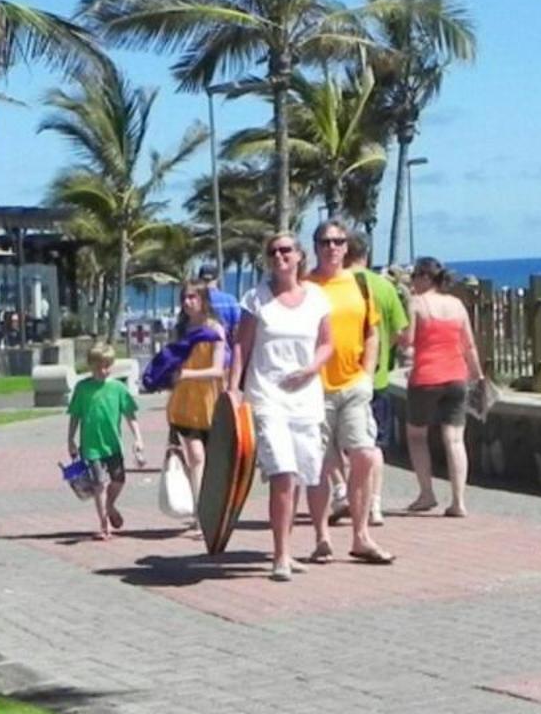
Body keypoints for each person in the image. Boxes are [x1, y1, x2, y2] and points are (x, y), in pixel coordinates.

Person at [236, 231, 333, 581]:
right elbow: (241, 347)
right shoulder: (255, 298)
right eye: (273, 251)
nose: (280, 256)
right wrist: (233, 389)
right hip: (267, 396)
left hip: (305, 400)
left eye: (286, 250)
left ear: (299, 256)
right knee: (282, 473)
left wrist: (311, 369)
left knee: (304, 474)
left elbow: (327, 344)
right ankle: (280, 555)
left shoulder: (317, 298)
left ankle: (289, 550)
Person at [305, 219, 395, 565]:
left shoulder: (359, 284)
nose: (332, 247)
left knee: (363, 454)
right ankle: (321, 537)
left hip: (353, 386)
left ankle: (361, 536)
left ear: (346, 247)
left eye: (338, 241)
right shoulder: (307, 286)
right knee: (320, 464)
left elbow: (372, 332)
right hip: (316, 388)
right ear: (315, 247)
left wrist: (366, 374)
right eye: (325, 242)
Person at [401, 256, 486, 517]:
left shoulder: (416, 304)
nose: (412, 280)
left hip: (426, 377)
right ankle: (459, 501)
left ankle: (426, 493)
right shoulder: (457, 305)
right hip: (456, 376)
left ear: (426, 278)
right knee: (455, 439)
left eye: (415, 275)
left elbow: (408, 342)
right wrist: (478, 377)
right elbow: (469, 345)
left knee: (417, 435)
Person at [344, 230, 409, 526]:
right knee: (375, 445)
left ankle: (345, 495)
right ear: (367, 254)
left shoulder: (340, 285)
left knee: (344, 445)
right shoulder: (384, 287)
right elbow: (401, 333)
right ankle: (375, 504)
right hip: (377, 379)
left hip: (344, 378)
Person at [163, 279, 230, 528]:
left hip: (211, 402)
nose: (188, 303)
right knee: (196, 456)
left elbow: (216, 370)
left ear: (203, 300)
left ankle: (215, 509)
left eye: (193, 297)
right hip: (184, 403)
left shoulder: (215, 330)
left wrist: (187, 375)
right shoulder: (181, 330)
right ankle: (201, 513)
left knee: (214, 460)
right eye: (185, 298)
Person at [67, 347, 142, 540]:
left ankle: (110, 505)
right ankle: (103, 525)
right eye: (98, 366)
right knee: (99, 484)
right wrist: (70, 439)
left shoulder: (118, 388)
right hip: (91, 447)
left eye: (107, 366)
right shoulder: (83, 389)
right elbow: (75, 415)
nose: (103, 370)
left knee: (118, 480)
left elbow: (130, 415)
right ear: (90, 366)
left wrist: (138, 438)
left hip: (113, 445)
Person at [197, 261, 241, 338]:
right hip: (225, 347)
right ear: (217, 279)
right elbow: (237, 328)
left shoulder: (196, 300)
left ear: (199, 279)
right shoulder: (230, 300)